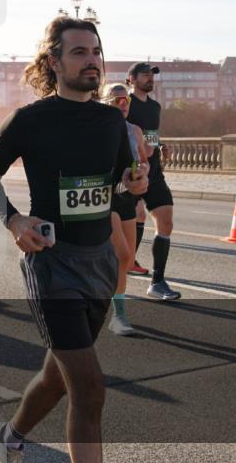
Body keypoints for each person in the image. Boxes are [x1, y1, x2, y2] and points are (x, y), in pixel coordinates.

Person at [0, 17, 147, 463]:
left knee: (58, 375)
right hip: (52, 264)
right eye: (79, 53)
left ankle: (9, 435)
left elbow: (117, 186)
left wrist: (136, 183)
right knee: (89, 387)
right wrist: (14, 220)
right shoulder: (31, 120)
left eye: (96, 53)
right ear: (54, 62)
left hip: (100, 263)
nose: (92, 61)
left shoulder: (112, 121)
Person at [126, 62, 180, 300]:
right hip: (131, 172)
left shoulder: (156, 106)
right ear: (132, 78)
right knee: (135, 215)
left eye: (152, 75)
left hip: (154, 171)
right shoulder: (124, 103)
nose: (150, 78)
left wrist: (160, 145)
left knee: (166, 221)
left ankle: (157, 282)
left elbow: (150, 136)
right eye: (145, 75)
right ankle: (125, 264)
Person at [101, 82, 149, 336]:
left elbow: (143, 159)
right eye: (117, 101)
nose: (123, 105)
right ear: (105, 103)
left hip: (126, 196)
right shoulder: (99, 128)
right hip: (105, 197)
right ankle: (118, 316)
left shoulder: (135, 130)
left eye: (126, 101)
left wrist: (143, 174)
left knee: (128, 259)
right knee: (120, 254)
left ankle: (104, 291)